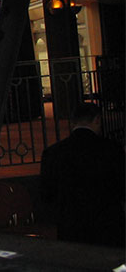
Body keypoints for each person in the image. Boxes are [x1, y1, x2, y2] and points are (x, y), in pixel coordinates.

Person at [40, 102, 125, 247]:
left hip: (71, 226)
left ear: (72, 122)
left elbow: (47, 194)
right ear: (97, 120)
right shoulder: (111, 149)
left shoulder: (53, 153)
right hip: (107, 225)